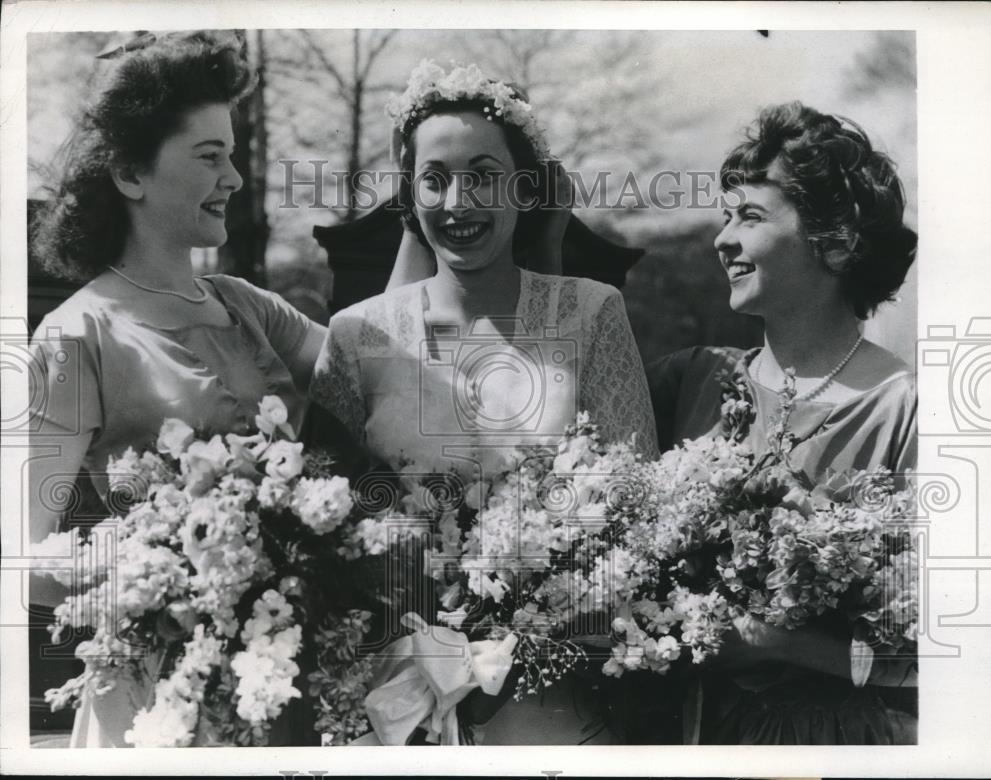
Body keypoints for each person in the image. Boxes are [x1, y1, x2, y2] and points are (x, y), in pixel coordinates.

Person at [309, 61, 658, 744]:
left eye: (484, 175)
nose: (458, 201)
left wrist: (550, 615)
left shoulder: (590, 314)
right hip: (395, 701)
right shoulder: (357, 335)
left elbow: (641, 508)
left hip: (553, 695)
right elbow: (317, 529)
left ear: (524, 190)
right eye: (435, 176)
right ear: (410, 193)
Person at [28, 31, 327, 747]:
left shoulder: (248, 306)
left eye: (231, 155)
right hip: (156, 695)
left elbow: (384, 363)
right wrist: (158, 566)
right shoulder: (78, 334)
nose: (234, 179)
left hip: (282, 677)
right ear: (131, 173)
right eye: (208, 156)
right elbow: (19, 557)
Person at [647, 101, 918, 744]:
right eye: (724, 216)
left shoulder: (905, 411)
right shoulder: (691, 380)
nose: (722, 239)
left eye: (750, 216)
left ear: (838, 241)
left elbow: (953, 662)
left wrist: (778, 644)